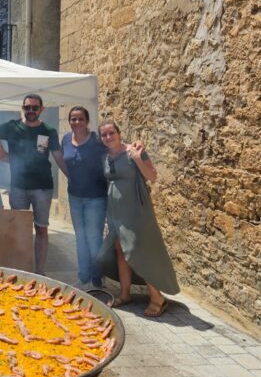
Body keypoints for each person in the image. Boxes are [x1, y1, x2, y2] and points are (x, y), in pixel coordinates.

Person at [96, 120, 180, 317]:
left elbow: (152, 177)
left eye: (111, 133)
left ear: (119, 133)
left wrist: (137, 158)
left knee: (136, 251)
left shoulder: (134, 151)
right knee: (120, 250)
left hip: (136, 210)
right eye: (104, 135)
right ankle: (125, 294)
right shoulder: (106, 157)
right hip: (116, 212)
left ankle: (157, 297)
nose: (108, 137)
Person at [0, 94, 67, 275]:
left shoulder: (48, 130)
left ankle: (40, 271)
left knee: (41, 229)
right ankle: (21, 269)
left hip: (43, 187)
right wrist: (2, 155)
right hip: (18, 187)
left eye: (34, 108)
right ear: (22, 108)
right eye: (27, 107)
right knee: (19, 228)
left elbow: (58, 155)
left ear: (41, 109)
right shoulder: (12, 127)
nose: (30, 111)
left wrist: (72, 176)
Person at [61, 106, 108, 290]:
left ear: (87, 121)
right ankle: (83, 276)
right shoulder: (65, 139)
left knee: (94, 237)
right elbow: (61, 159)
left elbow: (115, 148)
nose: (77, 122)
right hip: (75, 196)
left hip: (96, 197)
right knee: (80, 237)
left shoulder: (97, 140)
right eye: (73, 119)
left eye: (80, 119)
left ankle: (97, 278)